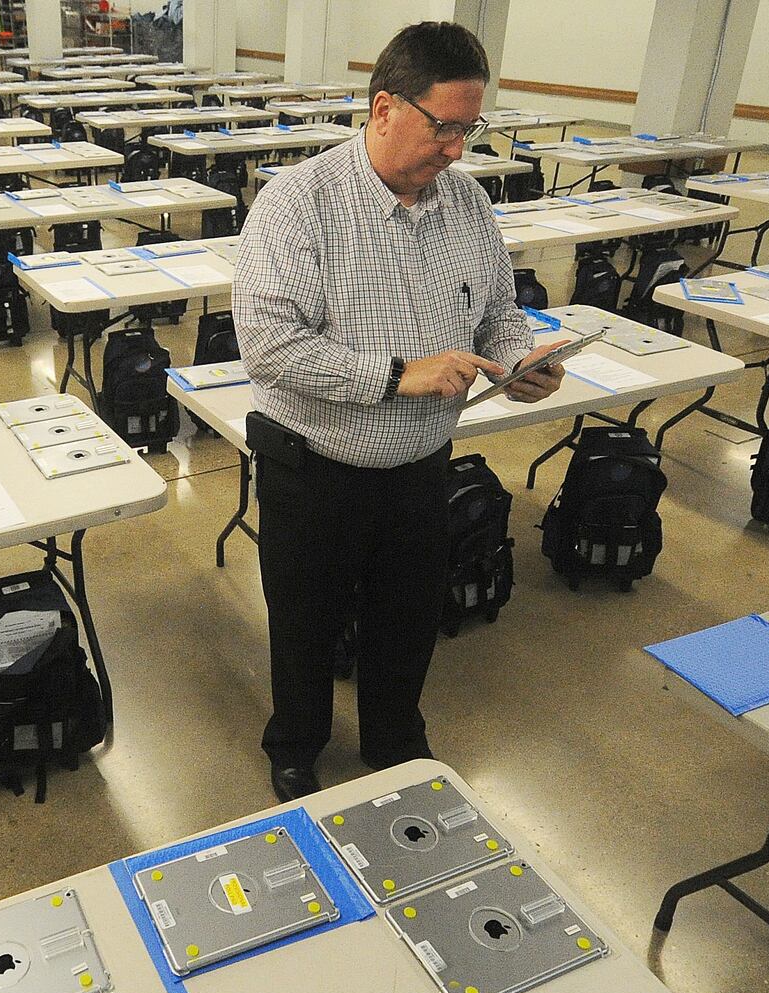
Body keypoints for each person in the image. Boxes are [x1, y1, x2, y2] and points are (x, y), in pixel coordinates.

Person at [233, 21, 567, 803]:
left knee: (408, 617)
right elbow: (271, 349)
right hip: (314, 465)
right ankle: (296, 745)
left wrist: (520, 358)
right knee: (304, 625)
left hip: (419, 468)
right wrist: (395, 376)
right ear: (384, 108)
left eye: (469, 128)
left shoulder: (467, 204)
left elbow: (498, 311)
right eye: (442, 126)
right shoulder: (297, 206)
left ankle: (394, 736)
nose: (456, 149)